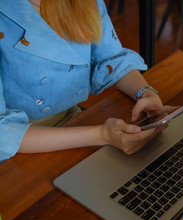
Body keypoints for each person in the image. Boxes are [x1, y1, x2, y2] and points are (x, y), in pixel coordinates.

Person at [0, 0, 167, 162]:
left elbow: (111, 58)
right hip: (17, 145)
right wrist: (102, 135)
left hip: (73, 121)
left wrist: (146, 93)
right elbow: (3, 132)